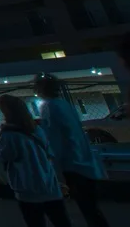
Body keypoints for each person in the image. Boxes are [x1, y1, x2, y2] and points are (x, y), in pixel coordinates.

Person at [34, 74, 109, 227]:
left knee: (86, 206)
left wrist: (55, 166)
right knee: (91, 206)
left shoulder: (48, 107)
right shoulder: (64, 104)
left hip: (71, 163)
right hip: (84, 160)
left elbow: (54, 139)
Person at [0, 94, 71, 227]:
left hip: (26, 185)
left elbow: (6, 155)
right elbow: (49, 152)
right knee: (61, 220)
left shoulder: (9, 135)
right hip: (48, 183)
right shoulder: (36, 130)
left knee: (35, 222)